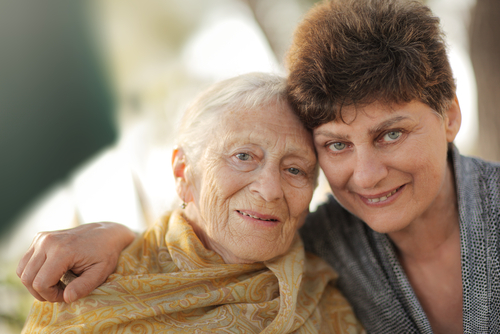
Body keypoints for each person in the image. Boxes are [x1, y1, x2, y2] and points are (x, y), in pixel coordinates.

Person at [18, 0, 500, 333]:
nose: (367, 173)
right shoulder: (324, 240)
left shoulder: (320, 259)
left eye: (391, 134)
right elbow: (214, 241)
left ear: (451, 115)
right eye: (335, 145)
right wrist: (122, 240)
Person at [20, 73, 363, 333]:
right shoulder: (92, 295)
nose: (271, 189)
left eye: (294, 169)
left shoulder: (332, 281)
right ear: (184, 171)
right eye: (243, 156)